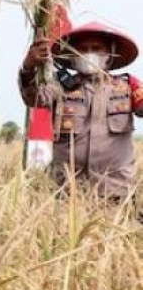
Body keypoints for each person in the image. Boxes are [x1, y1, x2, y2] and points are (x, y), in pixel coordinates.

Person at [19, 22, 143, 200]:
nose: (89, 54)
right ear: (73, 55)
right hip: (66, 192)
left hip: (116, 191)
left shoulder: (128, 85)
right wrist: (29, 68)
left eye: (96, 48)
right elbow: (33, 98)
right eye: (83, 49)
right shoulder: (58, 86)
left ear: (109, 53)